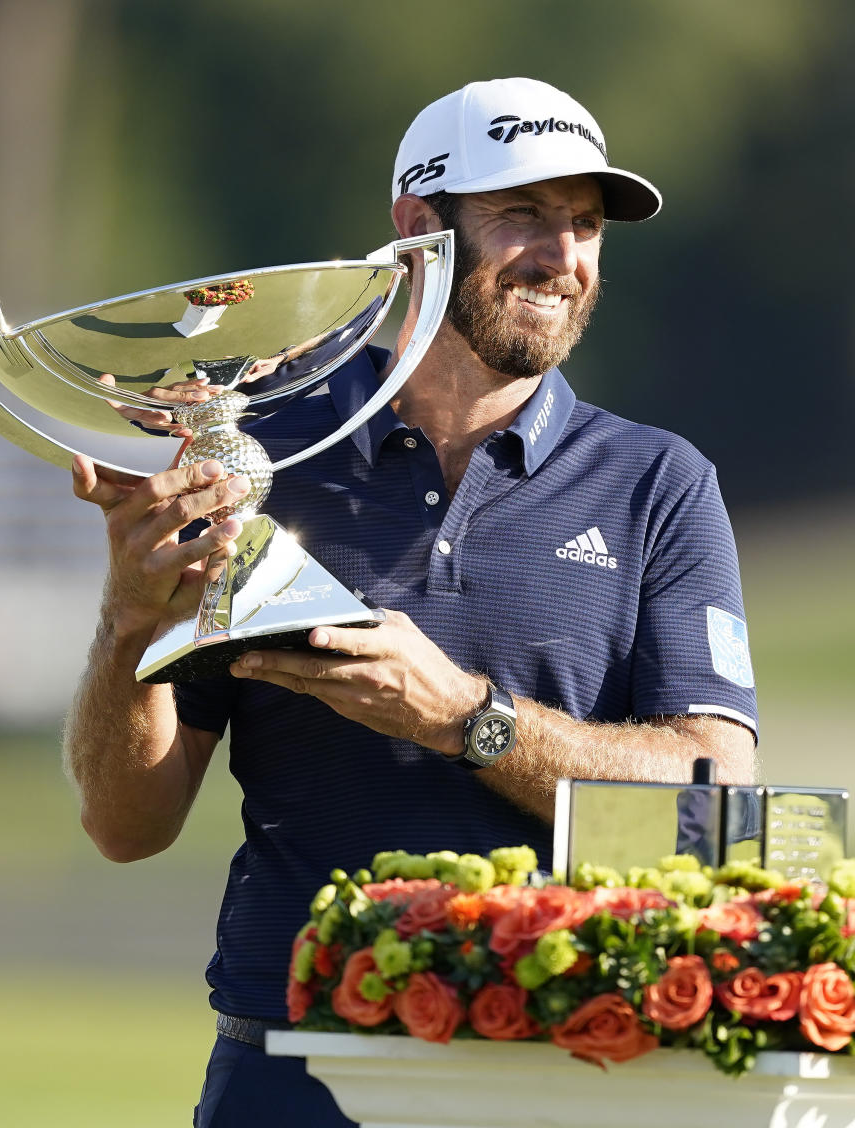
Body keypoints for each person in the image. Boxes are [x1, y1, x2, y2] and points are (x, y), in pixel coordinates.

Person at [64, 78, 757, 1127]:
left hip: (565, 1069)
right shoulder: (267, 461)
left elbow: (714, 806)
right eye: (522, 214)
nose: (562, 257)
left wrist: (462, 719)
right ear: (415, 231)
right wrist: (128, 622)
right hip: (288, 1072)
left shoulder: (658, 484)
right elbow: (128, 825)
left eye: (583, 224)